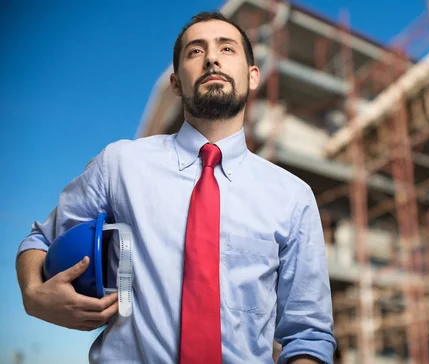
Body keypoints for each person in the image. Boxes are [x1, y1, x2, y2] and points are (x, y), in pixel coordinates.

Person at [15, 11, 336, 364]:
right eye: (195, 52)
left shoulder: (293, 197)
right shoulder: (120, 164)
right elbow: (40, 240)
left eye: (227, 49)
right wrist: (32, 293)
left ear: (253, 75)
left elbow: (308, 334)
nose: (212, 57)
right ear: (176, 84)